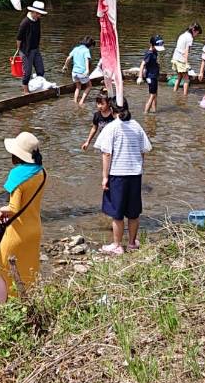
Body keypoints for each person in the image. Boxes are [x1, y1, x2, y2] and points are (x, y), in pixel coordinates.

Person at [96, 102, 152, 254]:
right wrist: (139, 167)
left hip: (117, 175)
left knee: (117, 212)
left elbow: (107, 153)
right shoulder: (137, 126)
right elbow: (143, 150)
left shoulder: (112, 127)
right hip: (135, 174)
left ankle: (117, 245)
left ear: (112, 110)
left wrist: (104, 177)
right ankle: (132, 243)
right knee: (133, 212)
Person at [0, 131, 46, 297]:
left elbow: (14, 208)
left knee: (2, 270)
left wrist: (1, 210)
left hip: (17, 232)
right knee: (29, 270)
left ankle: (1, 311)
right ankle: (29, 305)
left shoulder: (18, 175)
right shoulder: (42, 172)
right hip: (35, 229)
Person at [16, 1, 49, 91]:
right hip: (26, 51)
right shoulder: (25, 22)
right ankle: (25, 92)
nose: (40, 16)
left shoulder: (37, 20)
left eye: (41, 14)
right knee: (27, 73)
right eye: (39, 14)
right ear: (34, 12)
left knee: (40, 70)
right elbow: (19, 38)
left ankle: (38, 87)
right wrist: (19, 51)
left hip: (35, 49)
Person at [171, 23, 199, 97]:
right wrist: (186, 63)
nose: (196, 35)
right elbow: (186, 51)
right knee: (186, 79)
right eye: (197, 33)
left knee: (179, 77)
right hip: (181, 60)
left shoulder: (182, 35)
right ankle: (185, 96)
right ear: (193, 30)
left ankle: (174, 92)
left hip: (175, 58)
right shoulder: (190, 38)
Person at [138, 36, 164, 114]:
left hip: (154, 76)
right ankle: (146, 112)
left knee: (155, 94)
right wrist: (140, 77)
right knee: (152, 95)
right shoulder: (149, 54)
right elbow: (142, 64)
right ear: (152, 45)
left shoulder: (154, 52)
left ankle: (154, 111)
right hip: (150, 77)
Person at [68, 38, 95, 104]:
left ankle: (75, 101)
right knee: (89, 86)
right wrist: (87, 70)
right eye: (92, 47)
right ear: (90, 45)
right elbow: (86, 59)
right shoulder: (86, 50)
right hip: (81, 72)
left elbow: (68, 57)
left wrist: (65, 66)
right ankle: (81, 102)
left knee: (78, 87)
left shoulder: (76, 48)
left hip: (74, 72)